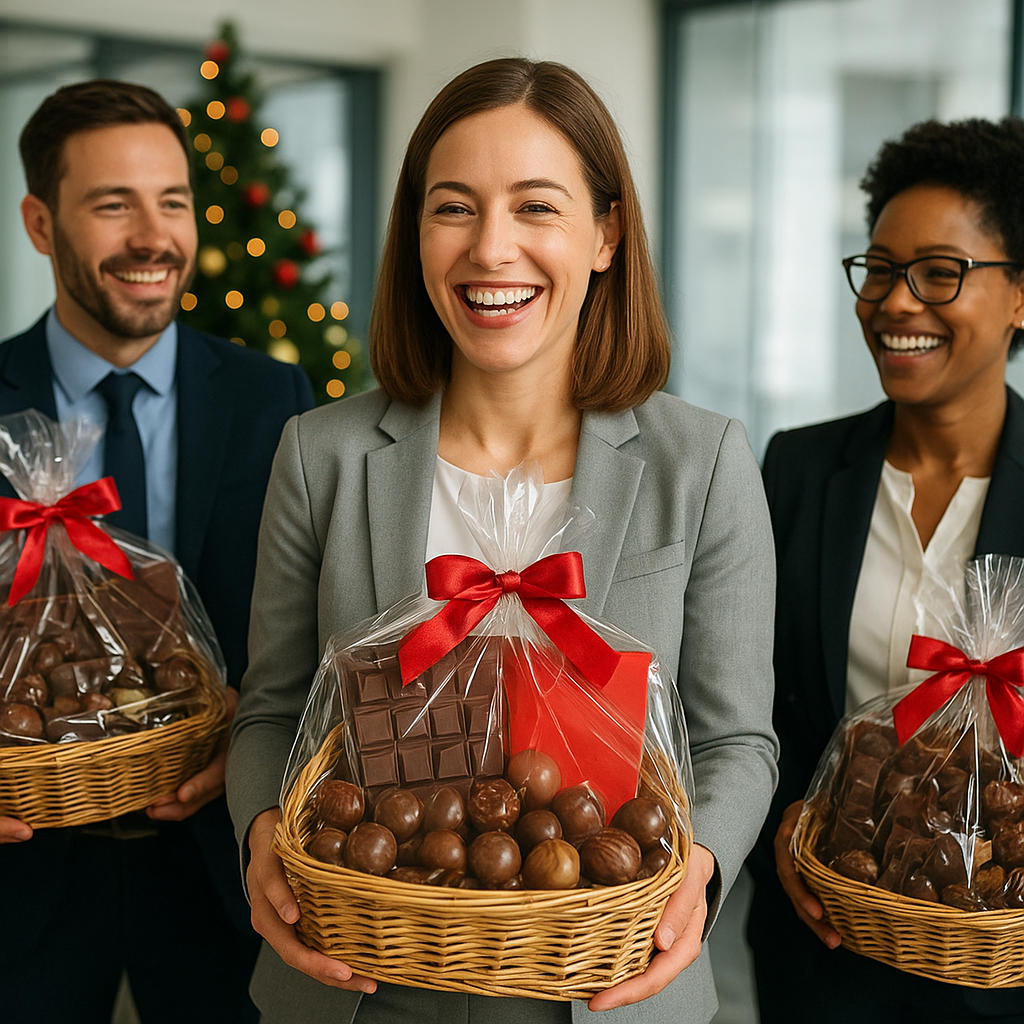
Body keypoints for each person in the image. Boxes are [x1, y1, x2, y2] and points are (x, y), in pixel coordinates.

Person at [226, 56, 778, 1024]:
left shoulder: (704, 462)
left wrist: (694, 866)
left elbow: (734, 737)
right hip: (361, 971)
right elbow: (273, 709)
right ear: (414, 234)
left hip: (607, 984)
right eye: (453, 207)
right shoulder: (322, 452)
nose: (491, 249)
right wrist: (263, 828)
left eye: (535, 207)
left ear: (605, 233)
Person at [0, 79, 315, 1024]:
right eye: (112, 204)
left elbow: (318, 627)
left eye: (171, 202)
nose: (153, 237)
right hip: (21, 871)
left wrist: (253, 737)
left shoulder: (278, 400)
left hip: (227, 861)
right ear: (41, 223)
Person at [746, 116, 1024, 1023]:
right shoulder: (794, 469)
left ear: (1020, 294)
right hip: (823, 953)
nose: (897, 302)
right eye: (878, 270)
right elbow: (748, 706)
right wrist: (782, 826)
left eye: (941, 272)